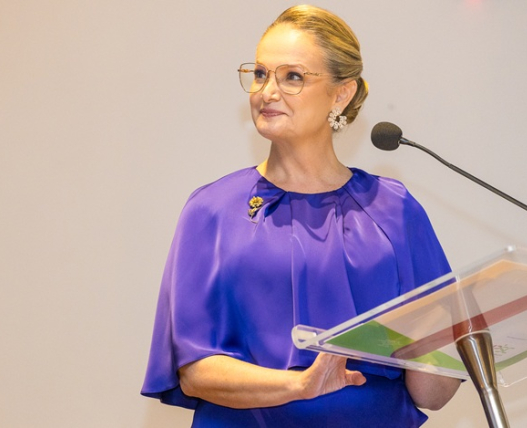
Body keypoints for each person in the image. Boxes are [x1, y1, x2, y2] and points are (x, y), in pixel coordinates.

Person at [141, 5, 461, 427]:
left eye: (292, 76)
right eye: (260, 74)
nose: (267, 92)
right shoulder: (211, 210)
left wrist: (431, 335)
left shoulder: (394, 209)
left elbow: (435, 395)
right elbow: (196, 373)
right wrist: (302, 385)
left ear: (341, 94)